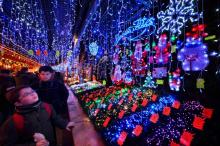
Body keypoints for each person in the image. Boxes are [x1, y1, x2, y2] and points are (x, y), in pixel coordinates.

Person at [0, 85, 75, 146]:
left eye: (32, 91)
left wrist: (65, 124)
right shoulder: (13, 122)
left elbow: (55, 118)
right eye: (26, 94)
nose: (33, 94)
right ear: (17, 103)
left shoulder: (46, 106)